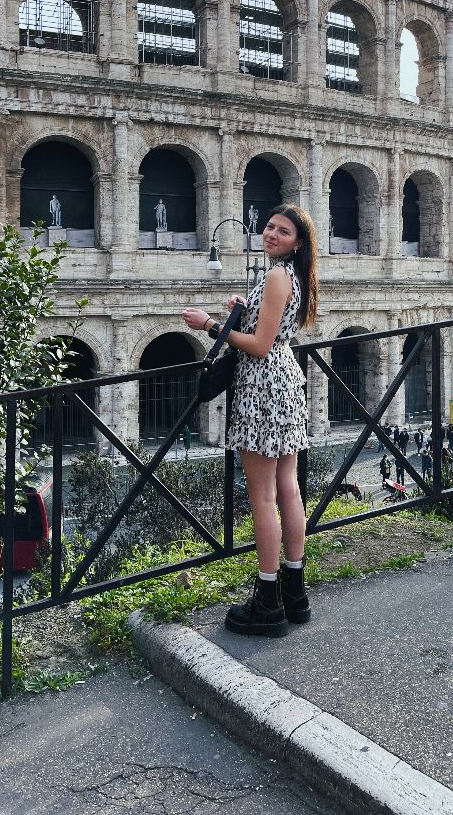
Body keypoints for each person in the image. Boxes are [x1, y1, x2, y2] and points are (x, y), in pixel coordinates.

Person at [182, 204, 318, 638]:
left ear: (298, 241)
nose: (271, 234)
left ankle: (268, 600)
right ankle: (295, 592)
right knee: (288, 488)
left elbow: (259, 345)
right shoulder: (292, 274)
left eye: (283, 231)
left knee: (262, 496)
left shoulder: (277, 275)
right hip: (285, 382)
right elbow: (273, 328)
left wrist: (211, 325)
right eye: (269, 227)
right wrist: (245, 307)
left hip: (261, 387)